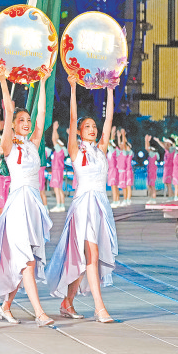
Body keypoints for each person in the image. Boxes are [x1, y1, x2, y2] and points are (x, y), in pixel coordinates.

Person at [0, 65, 54, 327]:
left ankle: (6, 306)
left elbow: (41, 114)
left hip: (33, 206)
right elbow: (9, 111)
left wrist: (43, 81)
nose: (26, 123)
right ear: (12, 125)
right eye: (21, 121)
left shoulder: (33, 144)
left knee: (25, 260)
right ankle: (40, 313)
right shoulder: (8, 146)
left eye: (27, 121)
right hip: (16, 206)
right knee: (28, 262)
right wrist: (3, 81)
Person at [45, 76, 117, 323]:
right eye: (87, 127)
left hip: (100, 207)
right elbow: (72, 117)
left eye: (94, 126)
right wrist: (74, 89)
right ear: (78, 131)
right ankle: (100, 308)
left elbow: (109, 119)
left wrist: (109, 91)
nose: (93, 129)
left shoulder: (101, 149)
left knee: (85, 257)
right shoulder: (75, 150)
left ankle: (67, 302)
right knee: (91, 254)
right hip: (83, 207)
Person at [49, 121, 66, 212]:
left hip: (56, 171)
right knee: (59, 189)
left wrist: (54, 129)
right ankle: (62, 206)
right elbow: (56, 139)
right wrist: (55, 131)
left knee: (56, 188)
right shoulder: (62, 150)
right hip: (59, 171)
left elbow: (54, 140)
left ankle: (58, 205)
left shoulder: (59, 150)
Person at [145, 135, 159, 204]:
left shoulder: (153, 154)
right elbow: (147, 148)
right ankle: (151, 198)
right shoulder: (152, 154)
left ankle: (153, 198)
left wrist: (147, 140)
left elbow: (147, 148)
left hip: (152, 171)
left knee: (152, 185)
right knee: (149, 185)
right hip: (150, 171)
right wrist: (147, 141)